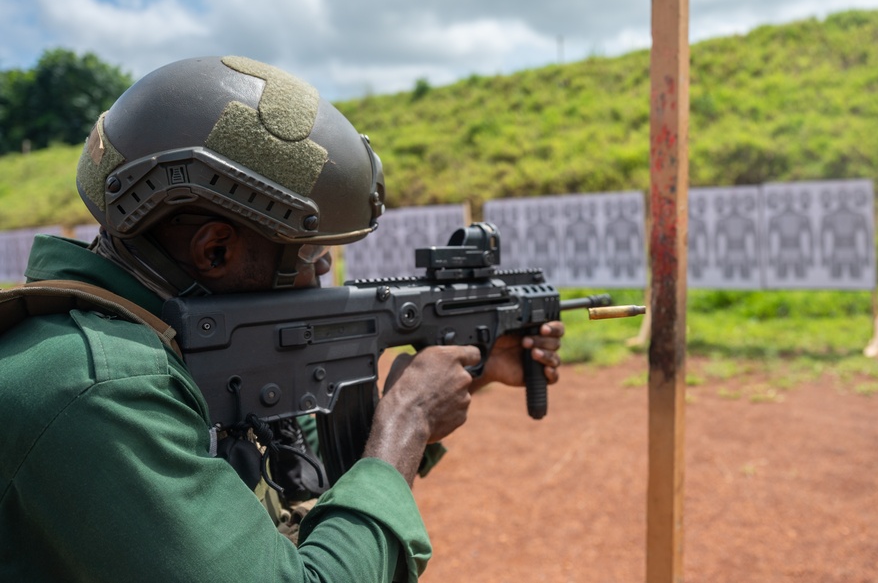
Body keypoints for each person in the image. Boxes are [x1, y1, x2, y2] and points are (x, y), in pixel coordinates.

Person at [0, 55, 565, 582]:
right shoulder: (99, 388)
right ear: (216, 250)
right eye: (314, 256)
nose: (325, 276)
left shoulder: (152, 346)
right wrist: (407, 421)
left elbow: (310, 484)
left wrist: (455, 381)